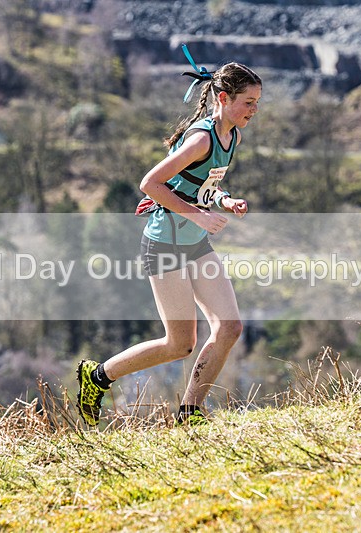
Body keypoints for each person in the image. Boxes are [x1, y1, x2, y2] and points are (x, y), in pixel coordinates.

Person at [77, 49, 262, 426]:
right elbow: (151, 183)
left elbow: (198, 186)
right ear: (223, 99)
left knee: (229, 327)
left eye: (257, 103)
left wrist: (224, 200)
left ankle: (190, 413)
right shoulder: (201, 140)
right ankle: (97, 377)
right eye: (248, 102)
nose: (253, 109)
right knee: (179, 344)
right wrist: (199, 216)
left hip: (194, 241)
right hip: (164, 245)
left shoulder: (233, 136)